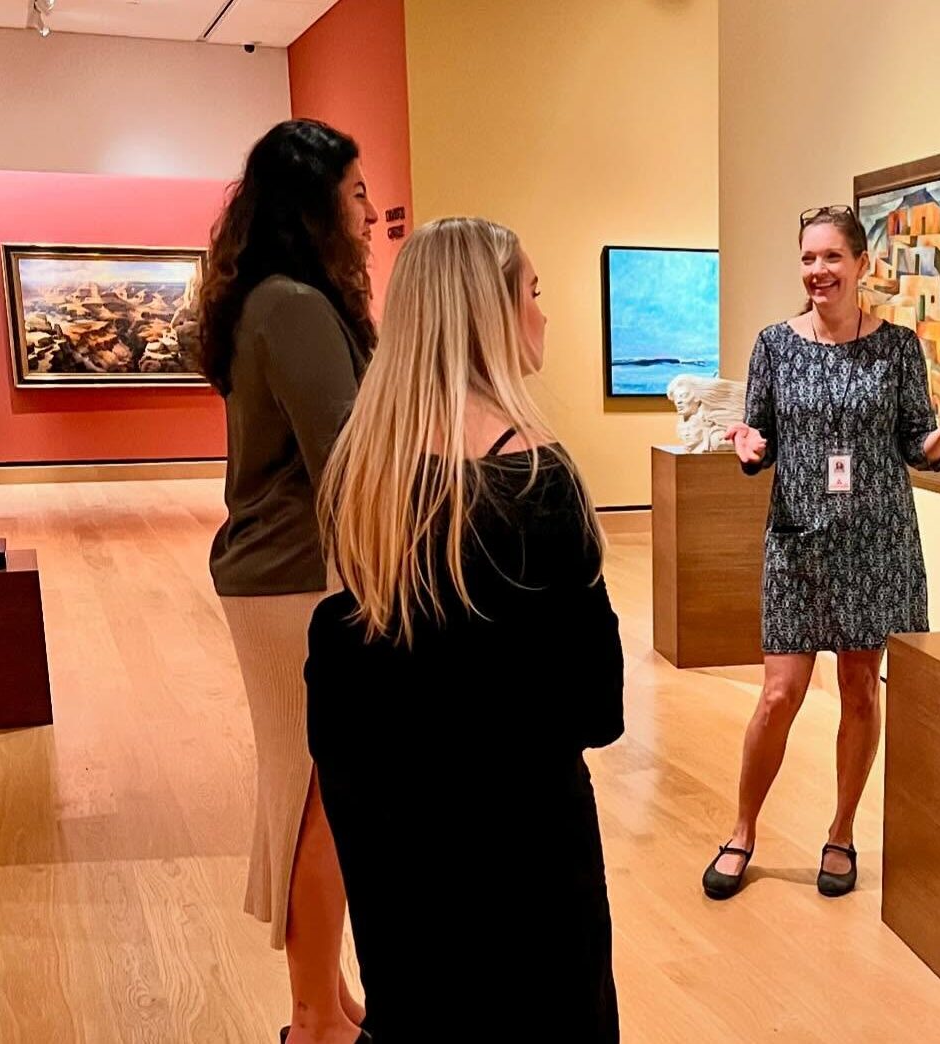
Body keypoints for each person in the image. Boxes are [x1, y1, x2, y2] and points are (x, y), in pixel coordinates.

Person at [305, 217, 625, 1042]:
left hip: (395, 850)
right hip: (524, 850)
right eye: (533, 292)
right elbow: (596, 706)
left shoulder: (363, 469)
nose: (544, 314)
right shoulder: (541, 479)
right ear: (489, 311)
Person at [703, 205, 940, 900]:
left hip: (876, 541)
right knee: (779, 693)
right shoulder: (774, 343)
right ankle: (742, 830)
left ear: (862, 265)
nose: (817, 271)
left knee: (861, 689)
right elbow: (762, 433)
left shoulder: (896, 348)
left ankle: (840, 833)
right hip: (798, 539)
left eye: (832, 257)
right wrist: (748, 445)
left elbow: (911, 444)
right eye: (808, 258)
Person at [199, 119, 376, 1044]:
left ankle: (325, 990)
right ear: (314, 206)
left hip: (283, 571)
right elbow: (346, 458)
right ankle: (313, 1016)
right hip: (296, 576)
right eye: (354, 195)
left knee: (303, 788)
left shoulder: (268, 298)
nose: (370, 211)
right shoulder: (294, 305)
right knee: (323, 792)